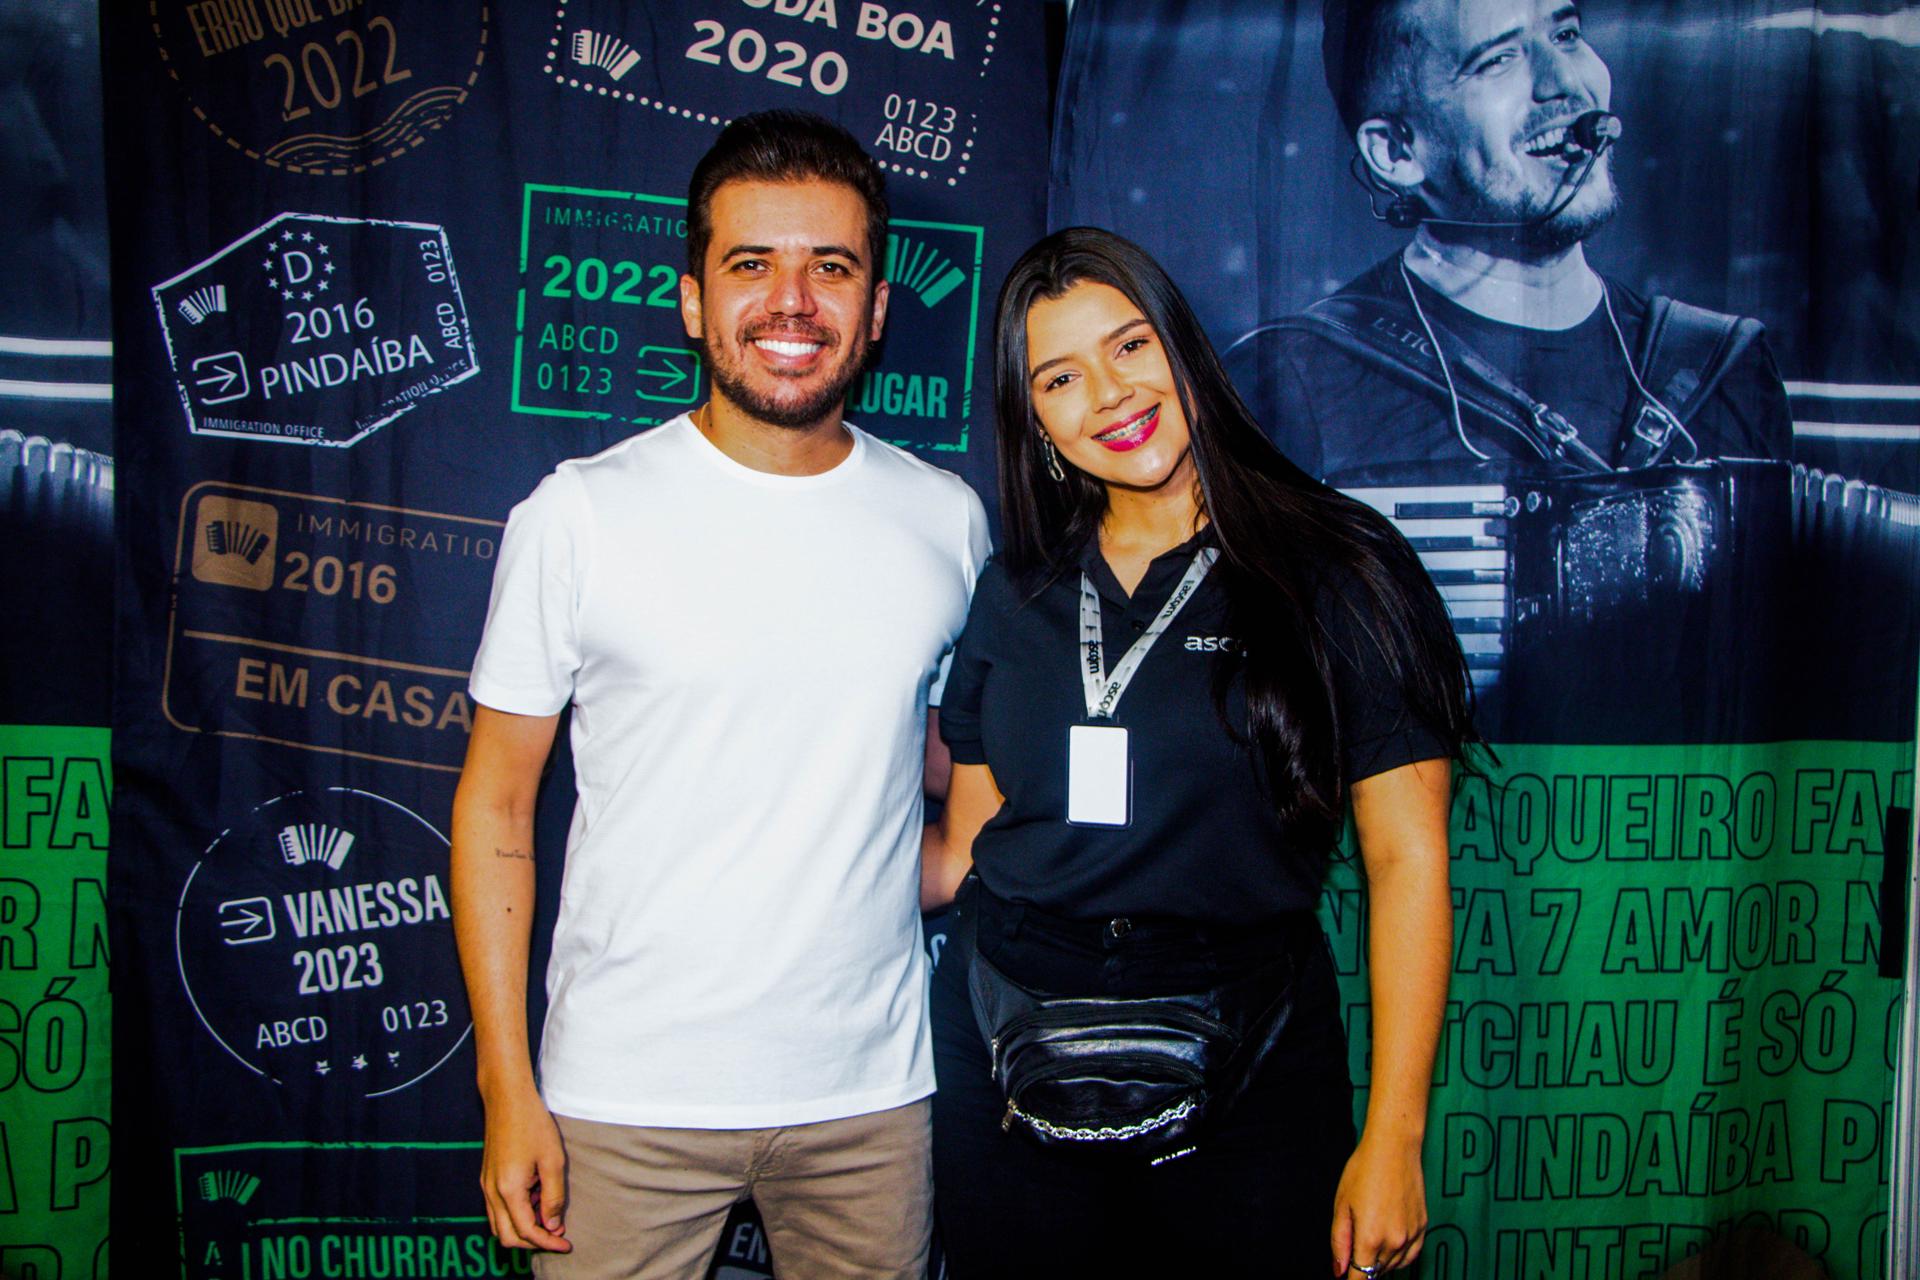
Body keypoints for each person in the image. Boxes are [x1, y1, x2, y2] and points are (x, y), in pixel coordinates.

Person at [451, 110, 989, 1280]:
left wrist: (949, 856)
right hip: (621, 1094)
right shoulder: (578, 515)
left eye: (831, 266)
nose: (791, 301)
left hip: (871, 1097)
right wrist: (506, 1085)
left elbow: (954, 762)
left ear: (876, 309)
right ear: (693, 300)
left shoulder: (946, 520)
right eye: (752, 264)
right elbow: (495, 805)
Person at [921, 227, 1475, 1277]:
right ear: (1034, 420)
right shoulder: (1016, 588)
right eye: (1060, 378)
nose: (1109, 395)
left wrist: (1395, 1137)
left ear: (1185, 350)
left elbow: (1407, 858)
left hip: (1250, 1061)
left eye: (1130, 346)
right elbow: (968, 847)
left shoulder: (1337, 566)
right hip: (1005, 1053)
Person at [1238, 0, 1791, 481]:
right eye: (1497, 60)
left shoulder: (1723, 370)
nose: (1566, 83)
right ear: (1396, 152)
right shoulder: (1290, 383)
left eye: (1566, 35)